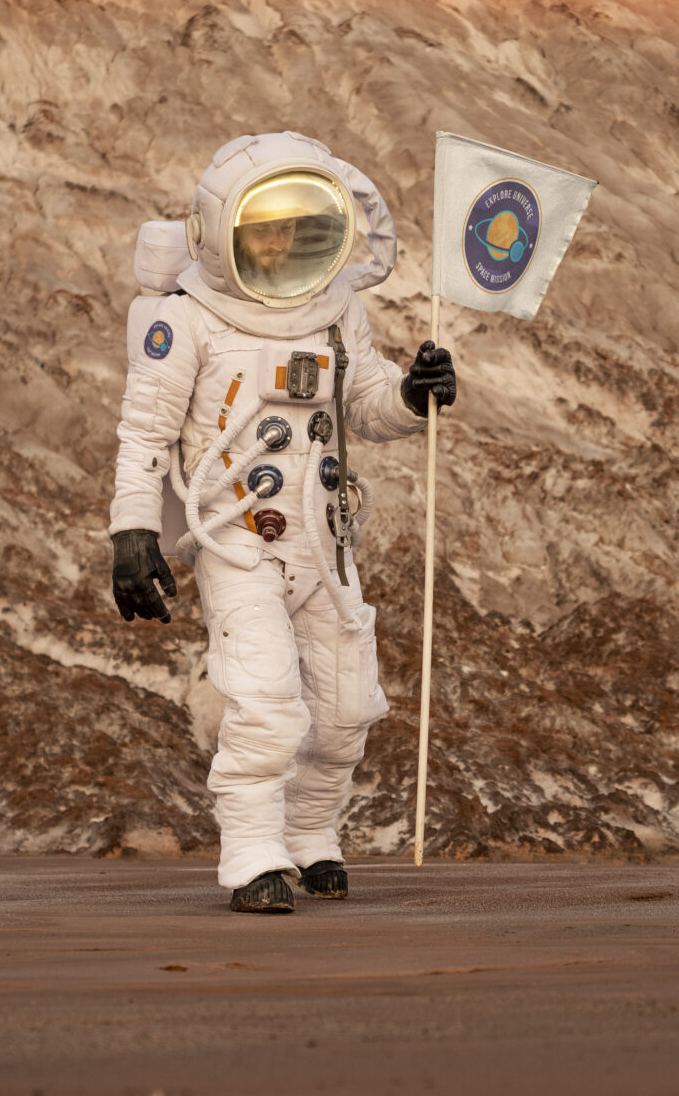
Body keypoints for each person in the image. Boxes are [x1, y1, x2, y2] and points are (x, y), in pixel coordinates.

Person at [108, 132, 456, 913]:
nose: (281, 242)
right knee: (264, 702)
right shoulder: (187, 321)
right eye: (264, 226)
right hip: (237, 539)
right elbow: (144, 435)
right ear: (221, 233)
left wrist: (414, 396)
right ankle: (252, 854)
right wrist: (133, 534)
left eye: (297, 226)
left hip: (323, 540)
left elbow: (364, 405)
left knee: (343, 711)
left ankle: (310, 836)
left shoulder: (337, 314)